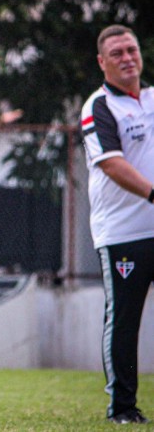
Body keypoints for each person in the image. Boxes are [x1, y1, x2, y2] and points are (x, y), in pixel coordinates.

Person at [81, 24, 154, 425]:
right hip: (123, 233)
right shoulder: (99, 105)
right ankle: (123, 408)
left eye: (131, 49)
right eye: (117, 53)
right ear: (102, 62)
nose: (127, 58)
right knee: (124, 321)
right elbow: (110, 162)